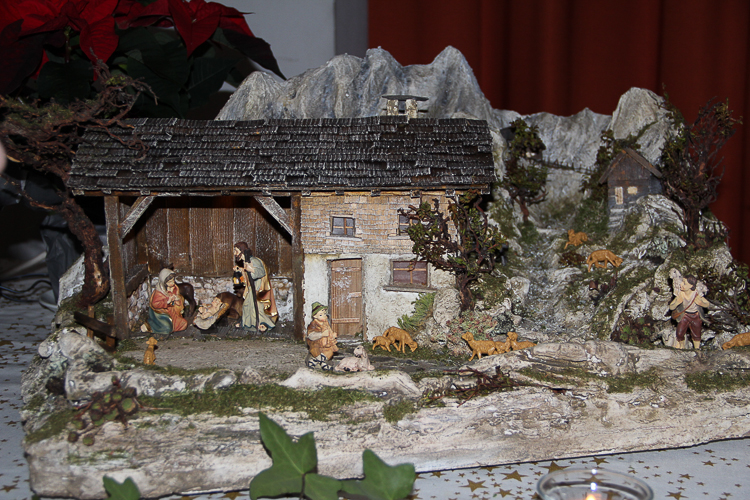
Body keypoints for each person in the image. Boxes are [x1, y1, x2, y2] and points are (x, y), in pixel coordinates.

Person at [233, 242, 278, 332]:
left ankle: (264, 323)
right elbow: (247, 275)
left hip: (258, 288)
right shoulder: (245, 262)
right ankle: (247, 323)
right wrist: (240, 270)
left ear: (242, 251)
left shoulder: (254, 261)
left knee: (257, 307)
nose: (234, 253)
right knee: (247, 305)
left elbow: (261, 272)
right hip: (251, 287)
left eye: (236, 251)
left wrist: (251, 269)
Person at [669, 274, 709, 349]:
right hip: (685, 315)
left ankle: (697, 349)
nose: (681, 284)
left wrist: (701, 303)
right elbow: (671, 307)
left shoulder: (696, 293)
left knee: (696, 334)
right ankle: (682, 346)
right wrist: (677, 303)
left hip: (695, 316)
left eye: (684, 283)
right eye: (682, 282)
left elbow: (707, 304)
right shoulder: (681, 294)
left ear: (691, 286)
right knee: (680, 333)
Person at [147, 268, 188, 335]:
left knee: (184, 324)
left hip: (173, 314)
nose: (172, 283)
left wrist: (177, 299)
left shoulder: (175, 288)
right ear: (164, 282)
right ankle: (149, 325)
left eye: (173, 280)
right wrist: (167, 302)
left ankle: (173, 326)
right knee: (167, 328)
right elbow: (155, 304)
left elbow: (179, 298)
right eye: (169, 282)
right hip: (162, 315)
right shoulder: (159, 292)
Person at [305, 302, 338, 370]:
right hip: (316, 345)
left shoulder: (325, 323)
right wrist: (322, 334)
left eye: (324, 314)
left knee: (330, 352)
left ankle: (314, 361)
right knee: (317, 352)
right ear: (315, 316)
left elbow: (329, 332)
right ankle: (322, 364)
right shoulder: (313, 325)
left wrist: (332, 335)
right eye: (320, 315)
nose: (323, 316)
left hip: (326, 345)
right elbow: (310, 336)